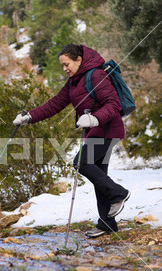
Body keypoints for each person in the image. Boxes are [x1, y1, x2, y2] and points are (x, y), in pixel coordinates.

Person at [13, 44, 130, 238]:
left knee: (81, 163)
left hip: (107, 129)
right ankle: (107, 223)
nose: (65, 69)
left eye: (67, 64)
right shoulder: (73, 82)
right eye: (62, 66)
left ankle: (119, 193)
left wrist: (95, 118)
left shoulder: (96, 76)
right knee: (98, 175)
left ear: (79, 60)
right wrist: (30, 117)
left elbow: (113, 104)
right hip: (95, 131)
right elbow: (55, 104)